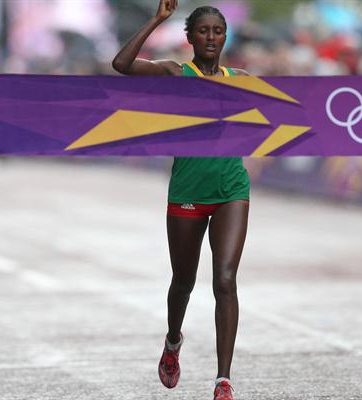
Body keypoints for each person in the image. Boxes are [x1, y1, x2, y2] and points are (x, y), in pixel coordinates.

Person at [112, 2, 249, 399]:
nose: (210, 37)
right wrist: (157, 20)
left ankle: (223, 380)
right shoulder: (176, 72)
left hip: (232, 190)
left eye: (217, 31)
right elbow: (121, 65)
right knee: (184, 282)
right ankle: (173, 341)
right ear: (190, 38)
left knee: (225, 279)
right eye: (203, 31)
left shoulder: (240, 79)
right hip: (188, 191)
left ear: (226, 37)